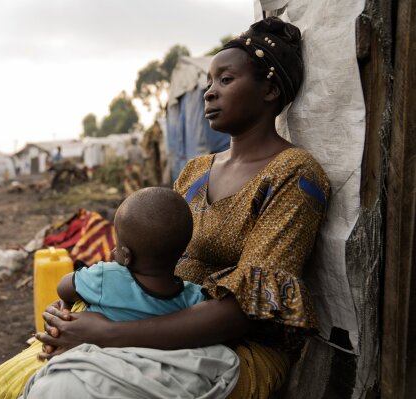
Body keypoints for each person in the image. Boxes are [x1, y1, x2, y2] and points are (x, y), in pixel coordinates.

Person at [32, 17, 331, 399]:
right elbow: (148, 263)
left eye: (226, 80)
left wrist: (108, 334)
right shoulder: (195, 171)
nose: (209, 92)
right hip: (147, 321)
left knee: (68, 389)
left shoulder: (294, 174)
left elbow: (246, 310)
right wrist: (77, 312)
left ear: (270, 89)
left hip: (235, 347)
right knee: (32, 373)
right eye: (209, 81)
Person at [0, 187, 240, 399]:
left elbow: (64, 286)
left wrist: (67, 299)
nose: (113, 252)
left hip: (96, 359)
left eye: (117, 245)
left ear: (124, 255)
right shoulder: (193, 296)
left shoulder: (106, 277)